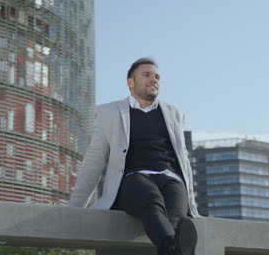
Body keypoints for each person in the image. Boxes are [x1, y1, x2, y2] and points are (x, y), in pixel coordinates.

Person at [68, 57, 199, 255]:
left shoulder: (174, 114)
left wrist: (194, 207)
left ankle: (171, 248)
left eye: (157, 77)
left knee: (177, 217)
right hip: (135, 178)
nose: (154, 80)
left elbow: (185, 161)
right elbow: (94, 160)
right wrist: (75, 206)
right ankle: (173, 247)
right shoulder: (109, 113)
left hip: (172, 178)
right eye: (146, 75)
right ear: (130, 82)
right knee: (152, 201)